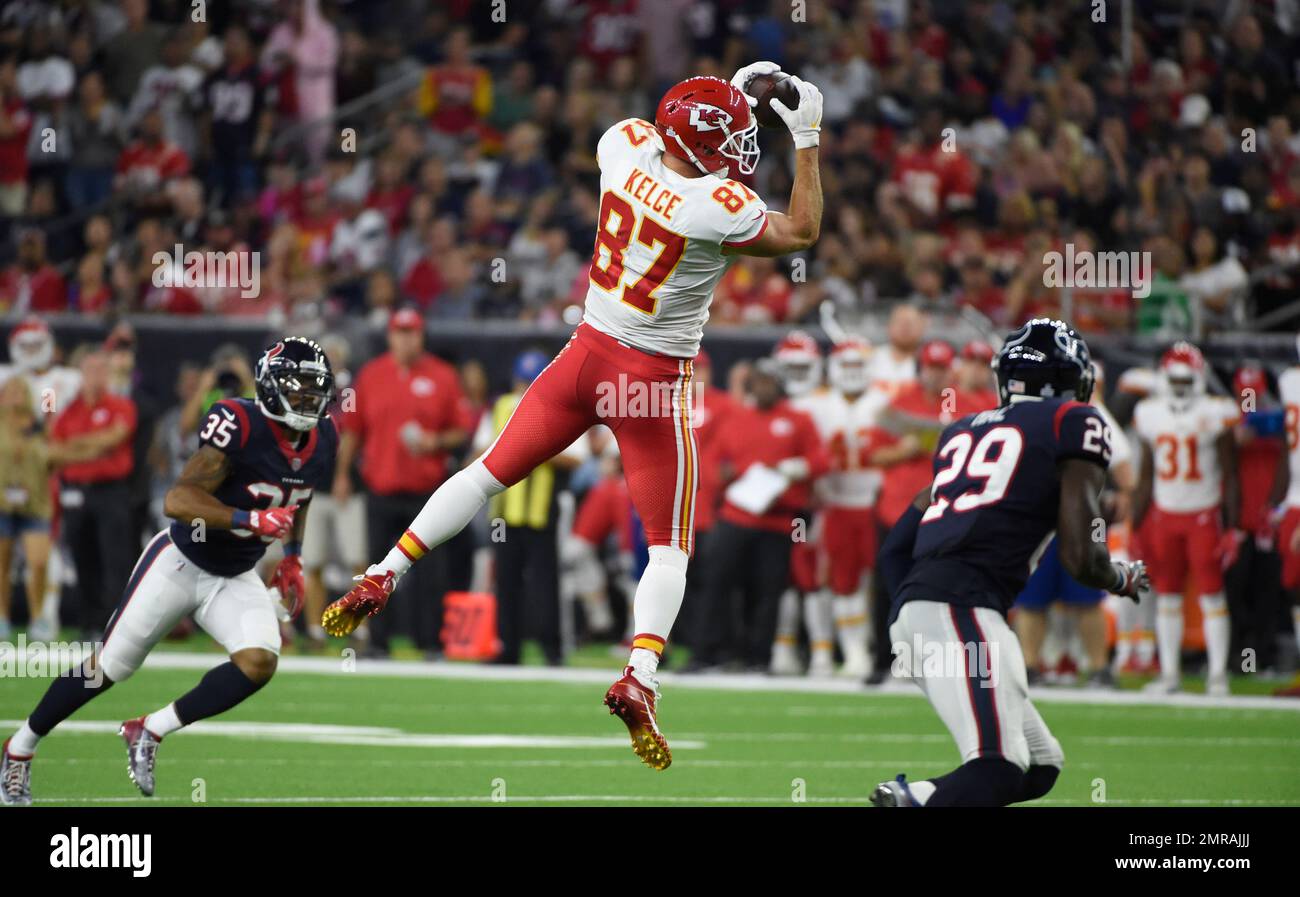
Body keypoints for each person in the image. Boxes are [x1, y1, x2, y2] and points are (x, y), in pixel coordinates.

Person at [322, 63, 825, 771]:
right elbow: (801, 230)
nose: (743, 143)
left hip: (583, 356)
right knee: (668, 545)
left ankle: (382, 572)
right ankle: (640, 674)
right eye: (733, 132)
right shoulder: (717, 203)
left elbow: (666, 138)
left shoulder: (621, 146)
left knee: (484, 473)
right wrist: (806, 137)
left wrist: (730, 100)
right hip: (651, 379)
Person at [1, 337, 337, 807]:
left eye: (314, 390)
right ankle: (19, 749)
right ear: (269, 386)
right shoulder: (238, 424)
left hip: (234, 573)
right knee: (110, 668)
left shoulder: (325, 439)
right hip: (181, 561)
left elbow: (299, 496)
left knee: (259, 661)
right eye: (297, 389)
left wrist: (294, 557)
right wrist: (249, 520)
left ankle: (150, 729)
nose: (307, 400)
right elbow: (177, 501)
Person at [871, 318, 1149, 807]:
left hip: (924, 610)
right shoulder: (1074, 422)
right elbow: (1080, 556)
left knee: (1041, 765)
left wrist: (906, 617)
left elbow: (895, 547)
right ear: (1073, 380)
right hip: (961, 610)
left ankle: (913, 797)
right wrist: (1120, 576)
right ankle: (908, 802)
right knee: (996, 769)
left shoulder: (960, 432)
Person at [335, 308, 471, 658]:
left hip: (426, 492)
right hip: (380, 487)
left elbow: (461, 430)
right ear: (391, 336)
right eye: (400, 332)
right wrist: (341, 475)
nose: (406, 338)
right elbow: (353, 431)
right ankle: (378, 641)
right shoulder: (371, 375)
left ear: (421, 336)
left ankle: (431, 643)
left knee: (431, 574)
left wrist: (434, 442)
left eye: (412, 332)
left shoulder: (442, 376)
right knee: (378, 568)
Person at [691, 359, 828, 672]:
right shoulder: (735, 418)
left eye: (769, 381)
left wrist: (796, 468)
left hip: (780, 519)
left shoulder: (798, 419)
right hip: (736, 513)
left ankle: (759, 657)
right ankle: (708, 652)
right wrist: (729, 473)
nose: (764, 387)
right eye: (759, 381)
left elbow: (822, 460)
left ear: (779, 384)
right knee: (716, 581)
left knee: (768, 590)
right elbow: (713, 464)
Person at [1131, 342, 1240, 696]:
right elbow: (1146, 473)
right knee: (1168, 596)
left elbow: (1230, 472)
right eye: (1174, 381)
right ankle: (1171, 674)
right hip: (1165, 515)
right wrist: (1134, 524)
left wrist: (1233, 526)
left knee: (1211, 595)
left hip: (1203, 514)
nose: (1179, 388)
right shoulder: (1149, 413)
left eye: (1185, 381)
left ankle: (1218, 675)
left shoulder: (1216, 412)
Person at [472, 349, 585, 665]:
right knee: (506, 579)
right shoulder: (500, 407)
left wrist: (536, 447)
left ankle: (552, 649)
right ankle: (509, 648)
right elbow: (478, 453)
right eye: (524, 382)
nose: (526, 389)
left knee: (545, 581)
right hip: (505, 511)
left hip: (542, 509)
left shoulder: (562, 406)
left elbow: (577, 458)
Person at [49, 349, 138, 638]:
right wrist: (91, 446)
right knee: (81, 556)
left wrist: (74, 447)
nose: (96, 376)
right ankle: (89, 624)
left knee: (114, 558)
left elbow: (114, 438)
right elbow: (52, 447)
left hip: (110, 491)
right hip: (74, 491)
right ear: (81, 374)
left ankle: (115, 624)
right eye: (91, 370)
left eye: (102, 370)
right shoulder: (67, 408)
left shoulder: (121, 405)